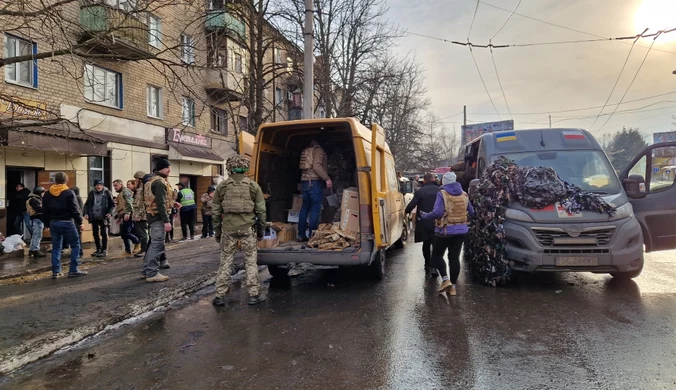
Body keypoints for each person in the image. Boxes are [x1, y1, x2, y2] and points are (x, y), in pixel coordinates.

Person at [212, 155, 267, 306]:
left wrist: (217, 232)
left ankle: (220, 296)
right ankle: (253, 295)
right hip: (247, 229)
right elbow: (261, 211)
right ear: (245, 168)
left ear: (230, 168)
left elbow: (216, 213)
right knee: (250, 261)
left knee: (225, 262)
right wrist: (261, 230)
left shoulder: (222, 187)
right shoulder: (253, 186)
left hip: (228, 230)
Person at [420, 172, 474, 296]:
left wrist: (425, 216)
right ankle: (453, 287)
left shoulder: (442, 193)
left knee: (437, 256)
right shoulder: (464, 194)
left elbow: (437, 212)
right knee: (454, 258)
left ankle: (445, 279)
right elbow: (471, 211)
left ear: (444, 182)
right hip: (461, 231)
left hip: (444, 230)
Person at [42, 172, 87, 279]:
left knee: (56, 247)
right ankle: (73, 270)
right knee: (75, 245)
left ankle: (56, 271)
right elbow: (75, 209)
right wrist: (80, 222)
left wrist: (47, 224)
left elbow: (45, 210)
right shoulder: (69, 192)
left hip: (53, 222)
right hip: (67, 222)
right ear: (66, 180)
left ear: (55, 180)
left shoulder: (47, 194)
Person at [142, 158, 176, 282]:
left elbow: (156, 200)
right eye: (167, 167)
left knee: (153, 244)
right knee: (157, 245)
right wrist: (166, 220)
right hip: (158, 218)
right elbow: (160, 203)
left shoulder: (150, 181)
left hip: (152, 216)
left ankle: (146, 270)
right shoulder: (160, 182)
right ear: (161, 168)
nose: (169, 170)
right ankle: (152, 273)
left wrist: (173, 204)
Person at [405, 173, 440, 275]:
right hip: (437, 221)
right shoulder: (440, 190)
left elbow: (412, 204)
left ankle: (427, 264)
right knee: (436, 245)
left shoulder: (420, 191)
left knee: (426, 243)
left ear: (424, 180)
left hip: (424, 221)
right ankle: (434, 266)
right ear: (433, 179)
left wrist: (406, 212)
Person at [297, 139, 332, 242]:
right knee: (315, 209)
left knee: (304, 208)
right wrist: (327, 178)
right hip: (314, 182)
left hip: (305, 181)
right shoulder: (318, 150)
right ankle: (313, 236)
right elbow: (317, 166)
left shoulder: (306, 150)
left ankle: (300, 235)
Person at [83, 180, 114, 257]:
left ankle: (104, 249)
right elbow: (87, 205)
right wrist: (86, 213)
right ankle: (98, 249)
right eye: (97, 185)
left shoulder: (107, 193)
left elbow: (112, 204)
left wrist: (110, 213)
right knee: (95, 234)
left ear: (103, 186)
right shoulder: (91, 193)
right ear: (95, 186)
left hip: (103, 216)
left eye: (100, 185)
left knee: (103, 233)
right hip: (94, 216)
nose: (99, 186)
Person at [113, 179, 140, 255]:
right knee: (124, 234)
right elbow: (120, 206)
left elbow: (129, 203)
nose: (115, 187)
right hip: (123, 215)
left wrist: (128, 213)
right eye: (114, 186)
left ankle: (137, 242)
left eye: (116, 185)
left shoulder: (126, 191)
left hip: (128, 215)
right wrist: (117, 216)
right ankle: (127, 249)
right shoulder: (120, 194)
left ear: (121, 184)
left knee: (125, 232)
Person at [26, 186, 47, 258]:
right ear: (39, 192)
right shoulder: (34, 200)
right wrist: (47, 209)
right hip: (37, 219)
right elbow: (39, 209)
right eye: (43, 192)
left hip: (35, 219)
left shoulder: (34, 199)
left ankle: (32, 250)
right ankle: (36, 250)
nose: (44, 193)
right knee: (37, 235)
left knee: (35, 235)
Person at [132, 172, 149, 258]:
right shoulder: (138, 189)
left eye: (136, 179)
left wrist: (139, 214)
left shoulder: (143, 189)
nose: (135, 180)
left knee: (143, 234)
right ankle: (144, 248)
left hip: (142, 216)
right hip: (137, 215)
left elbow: (144, 204)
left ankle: (144, 249)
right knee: (140, 233)